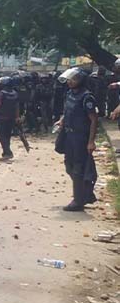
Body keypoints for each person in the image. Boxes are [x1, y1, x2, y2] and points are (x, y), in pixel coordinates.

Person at [56, 68, 98, 212]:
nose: (70, 81)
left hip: (81, 137)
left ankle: (78, 200)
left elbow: (93, 120)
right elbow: (67, 110)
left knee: (78, 169)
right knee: (69, 166)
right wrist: (62, 120)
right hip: (68, 135)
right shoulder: (69, 94)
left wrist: (91, 141)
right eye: (69, 79)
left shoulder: (87, 97)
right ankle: (85, 192)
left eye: (74, 79)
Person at [0, 77, 20, 161]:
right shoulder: (15, 93)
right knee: (7, 135)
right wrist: (17, 117)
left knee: (1, 135)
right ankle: (5, 152)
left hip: (2, 118)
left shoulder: (2, 93)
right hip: (12, 118)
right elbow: (17, 106)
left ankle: (8, 153)